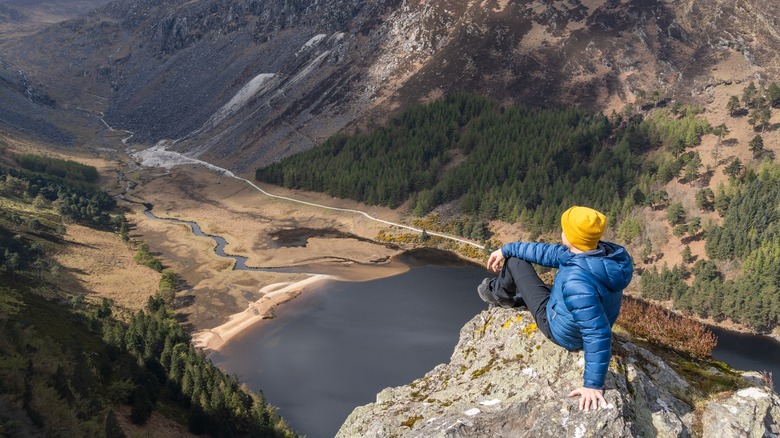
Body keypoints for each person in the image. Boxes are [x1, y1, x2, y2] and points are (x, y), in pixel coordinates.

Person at [477, 206, 633, 412]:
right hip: (577, 314)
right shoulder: (605, 255)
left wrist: (592, 385)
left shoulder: (576, 282)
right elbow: (547, 253)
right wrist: (506, 249)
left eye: (564, 229)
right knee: (516, 258)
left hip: (560, 330)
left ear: (569, 236)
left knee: (515, 263)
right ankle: (515, 297)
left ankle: (498, 294)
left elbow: (597, 333)